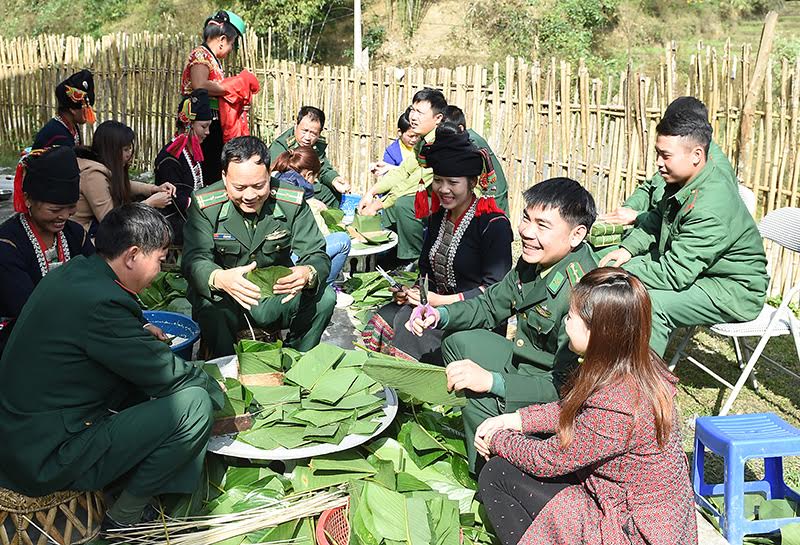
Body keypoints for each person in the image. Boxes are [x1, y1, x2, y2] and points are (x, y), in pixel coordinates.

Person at [0, 203, 224, 529]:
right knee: (193, 405)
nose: (161, 270)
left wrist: (136, 329)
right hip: (45, 455)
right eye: (160, 260)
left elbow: (91, 332)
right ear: (132, 255)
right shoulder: (103, 304)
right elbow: (166, 375)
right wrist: (216, 388)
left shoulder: (76, 272)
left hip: (19, 435)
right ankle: (125, 517)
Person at [475, 268, 697, 545]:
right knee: (523, 448)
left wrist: (497, 439)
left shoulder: (619, 405)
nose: (565, 322)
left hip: (634, 531)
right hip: (642, 509)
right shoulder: (634, 361)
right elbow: (575, 410)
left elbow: (548, 459)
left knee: (499, 474)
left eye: (571, 316)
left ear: (598, 331)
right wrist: (516, 420)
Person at [410, 177, 599, 472]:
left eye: (542, 225)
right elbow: (490, 305)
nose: (526, 231)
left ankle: (488, 473)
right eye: (526, 218)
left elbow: (564, 388)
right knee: (457, 341)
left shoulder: (582, 291)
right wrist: (438, 315)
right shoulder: (537, 259)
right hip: (526, 364)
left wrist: (491, 382)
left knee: (479, 397)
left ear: (576, 235)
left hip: (552, 392)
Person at [599, 97, 768, 356]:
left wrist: (621, 270)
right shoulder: (682, 177)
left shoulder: (711, 205)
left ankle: (642, 390)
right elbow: (658, 216)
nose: (657, 162)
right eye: (657, 153)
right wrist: (627, 250)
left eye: (665, 155)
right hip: (700, 270)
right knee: (602, 260)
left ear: (697, 155)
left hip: (731, 289)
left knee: (651, 304)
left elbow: (675, 273)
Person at [362, 123, 513, 363]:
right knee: (384, 317)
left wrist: (440, 303)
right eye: (438, 180)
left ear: (472, 182)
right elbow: (426, 273)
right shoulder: (438, 217)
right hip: (433, 307)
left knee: (408, 331)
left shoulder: (493, 224)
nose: (443, 189)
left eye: (453, 183)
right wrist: (411, 293)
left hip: (474, 318)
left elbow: (496, 293)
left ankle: (410, 395)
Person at [182, 136, 336, 358]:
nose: (250, 195)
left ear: (269, 175)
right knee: (207, 304)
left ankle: (298, 361)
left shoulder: (290, 200)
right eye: (239, 187)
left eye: (258, 185)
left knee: (325, 298)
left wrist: (307, 272)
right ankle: (225, 370)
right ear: (224, 177)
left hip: (276, 294)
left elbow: (316, 253)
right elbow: (193, 259)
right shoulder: (206, 204)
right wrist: (217, 278)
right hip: (228, 297)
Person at [0, 146, 94, 354]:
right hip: (20, 338)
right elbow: (28, 309)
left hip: (72, 330)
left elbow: (101, 279)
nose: (64, 216)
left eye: (70, 207)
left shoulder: (75, 235)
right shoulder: (8, 244)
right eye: (54, 209)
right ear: (27, 199)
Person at [601, 96, 736, 226]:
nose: (659, 162)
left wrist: (637, 216)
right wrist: (628, 209)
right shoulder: (674, 158)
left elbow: (680, 222)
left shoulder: (713, 171)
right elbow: (650, 187)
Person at [359, 88, 447, 262]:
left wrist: (377, 205)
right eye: (412, 110)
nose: (413, 117)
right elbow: (403, 171)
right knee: (393, 204)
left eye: (420, 112)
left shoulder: (441, 142)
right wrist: (372, 192)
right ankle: (390, 253)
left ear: (437, 119)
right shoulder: (424, 140)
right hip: (438, 196)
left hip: (458, 201)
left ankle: (413, 261)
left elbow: (414, 184)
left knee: (405, 203)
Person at [74, 121, 175, 235]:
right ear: (111, 150)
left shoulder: (100, 165)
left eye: (129, 148)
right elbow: (111, 222)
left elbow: (121, 184)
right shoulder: (93, 175)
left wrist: (154, 189)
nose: (129, 154)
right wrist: (149, 203)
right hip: (85, 236)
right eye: (125, 149)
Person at [181, 9, 246, 185]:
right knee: (204, 164)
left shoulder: (211, 58)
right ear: (223, 40)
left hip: (211, 120)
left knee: (212, 163)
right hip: (200, 120)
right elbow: (200, 85)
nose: (231, 49)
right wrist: (230, 88)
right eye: (232, 44)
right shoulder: (200, 55)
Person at [271, 147, 352, 285]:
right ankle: (326, 288)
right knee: (343, 241)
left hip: (273, 258)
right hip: (292, 260)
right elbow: (320, 239)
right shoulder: (307, 200)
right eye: (315, 179)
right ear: (308, 175)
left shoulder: (273, 180)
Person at [154, 90, 213, 244]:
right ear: (189, 125)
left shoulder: (192, 152)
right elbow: (175, 199)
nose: (208, 132)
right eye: (204, 126)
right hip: (175, 221)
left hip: (193, 216)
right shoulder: (169, 158)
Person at [268, 106, 351, 208]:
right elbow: (279, 179)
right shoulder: (280, 147)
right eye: (304, 131)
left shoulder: (316, 145)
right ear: (296, 126)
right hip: (288, 191)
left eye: (313, 133)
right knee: (326, 194)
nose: (307, 137)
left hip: (308, 184)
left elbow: (323, 167)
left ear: (319, 133)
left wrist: (334, 180)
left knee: (336, 193)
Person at [32, 69, 96, 150]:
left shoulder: (71, 127)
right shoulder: (58, 136)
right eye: (86, 108)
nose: (89, 113)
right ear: (73, 110)